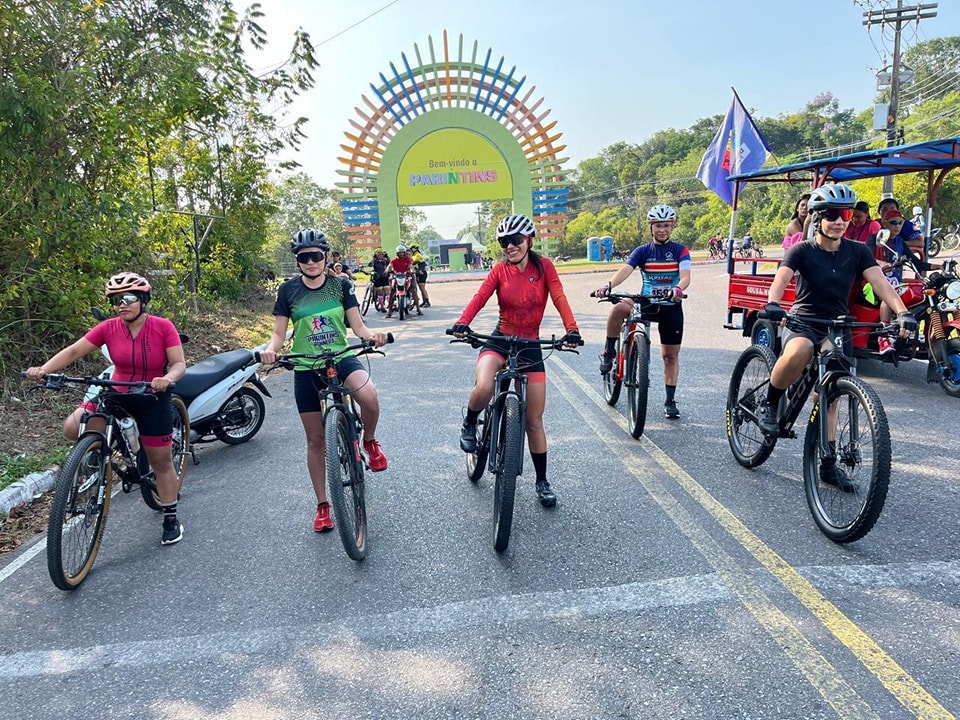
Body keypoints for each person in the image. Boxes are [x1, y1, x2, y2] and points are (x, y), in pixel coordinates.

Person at [755, 184, 917, 484]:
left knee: (830, 397)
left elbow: (881, 283)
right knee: (799, 350)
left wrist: (903, 312)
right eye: (832, 215)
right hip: (804, 321)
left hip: (838, 326)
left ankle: (828, 465)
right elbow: (781, 279)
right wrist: (774, 303)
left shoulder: (857, 251)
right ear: (817, 219)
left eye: (844, 214)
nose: (840, 221)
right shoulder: (801, 250)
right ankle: (771, 401)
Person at [25, 272, 187, 545]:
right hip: (117, 390)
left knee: (160, 462)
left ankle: (170, 516)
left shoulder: (162, 326)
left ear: (143, 300)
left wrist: (167, 379)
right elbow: (74, 351)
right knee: (73, 426)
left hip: (152, 394)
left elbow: (179, 364)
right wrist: (44, 370)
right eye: (115, 300)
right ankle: (100, 454)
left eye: (128, 298)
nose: (121, 305)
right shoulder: (109, 327)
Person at [259, 229, 390, 533]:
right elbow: (279, 333)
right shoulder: (288, 291)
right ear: (298, 261)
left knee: (369, 395)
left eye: (316, 255)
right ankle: (322, 505)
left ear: (326, 256)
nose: (311, 262)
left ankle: (369, 441)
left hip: (340, 356)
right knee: (316, 440)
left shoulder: (340, 286)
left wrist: (372, 337)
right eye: (304, 257)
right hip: (306, 364)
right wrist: (270, 351)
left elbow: (357, 325)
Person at [451, 213, 581, 507]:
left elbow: (559, 297)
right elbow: (480, 296)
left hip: (530, 345)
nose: (510, 246)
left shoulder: (544, 266)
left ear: (528, 241)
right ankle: (470, 423)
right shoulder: (499, 270)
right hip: (500, 339)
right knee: (484, 386)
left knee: (533, 420)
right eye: (504, 242)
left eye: (515, 240)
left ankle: (542, 481)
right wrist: (462, 322)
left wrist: (571, 329)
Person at [595, 204, 691, 419]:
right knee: (620, 307)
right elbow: (625, 270)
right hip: (646, 302)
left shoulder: (680, 250)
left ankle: (669, 401)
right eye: (658, 225)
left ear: (672, 227)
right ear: (651, 227)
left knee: (670, 356)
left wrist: (677, 288)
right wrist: (608, 286)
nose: (662, 230)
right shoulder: (643, 251)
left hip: (670, 306)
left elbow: (685, 276)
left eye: (666, 225)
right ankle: (610, 351)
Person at [866, 208, 946, 355]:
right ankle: (884, 337)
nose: (897, 226)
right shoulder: (874, 239)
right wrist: (881, 264)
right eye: (893, 223)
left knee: (923, 293)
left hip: (895, 282)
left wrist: (939, 266)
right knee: (889, 296)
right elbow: (866, 258)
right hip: (872, 282)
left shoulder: (900, 242)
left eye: (900, 223)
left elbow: (917, 263)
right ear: (884, 223)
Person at [385, 244, 422, 318]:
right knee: (392, 293)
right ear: (397, 253)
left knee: (413, 290)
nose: (401, 254)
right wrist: (387, 270)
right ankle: (389, 311)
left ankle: (418, 308)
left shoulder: (408, 259)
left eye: (403, 252)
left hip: (407, 277)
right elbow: (389, 266)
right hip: (397, 277)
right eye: (400, 252)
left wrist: (412, 271)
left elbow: (411, 266)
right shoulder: (394, 260)